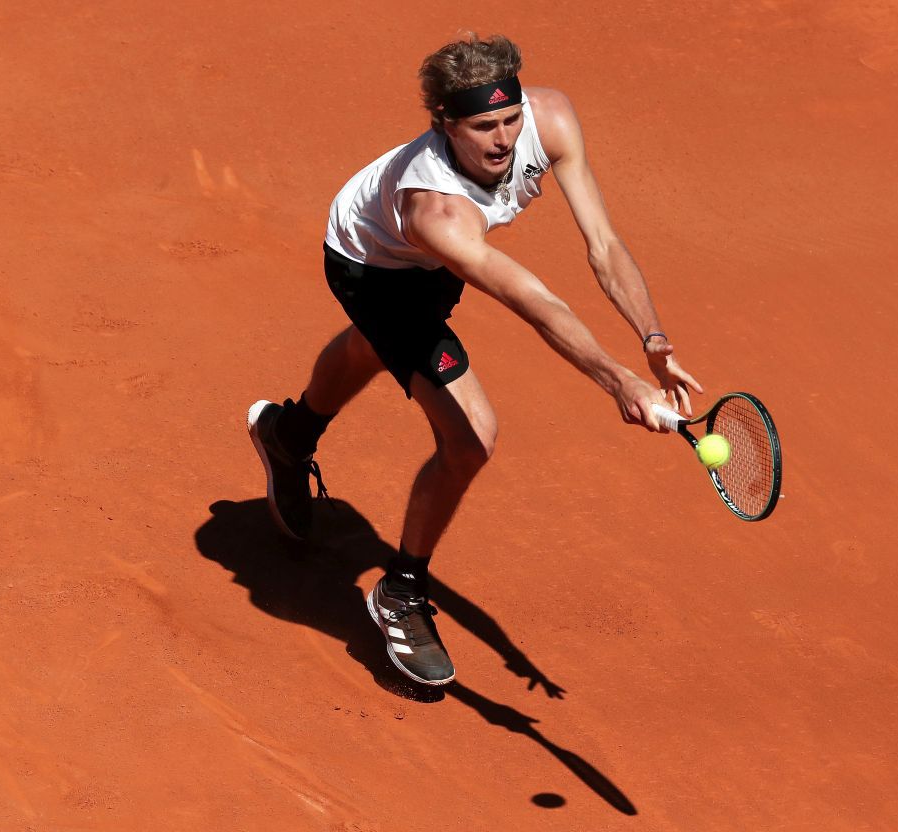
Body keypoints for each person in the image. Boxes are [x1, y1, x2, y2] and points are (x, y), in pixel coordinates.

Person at [247, 34, 702, 687]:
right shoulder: (439, 214)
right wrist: (616, 380)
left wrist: (654, 345)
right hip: (372, 268)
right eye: (483, 126)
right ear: (445, 125)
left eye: (510, 117)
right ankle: (400, 592)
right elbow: (535, 301)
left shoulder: (551, 120)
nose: (504, 139)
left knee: (381, 348)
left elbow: (602, 244)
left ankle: (286, 437)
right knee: (471, 437)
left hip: (423, 266)